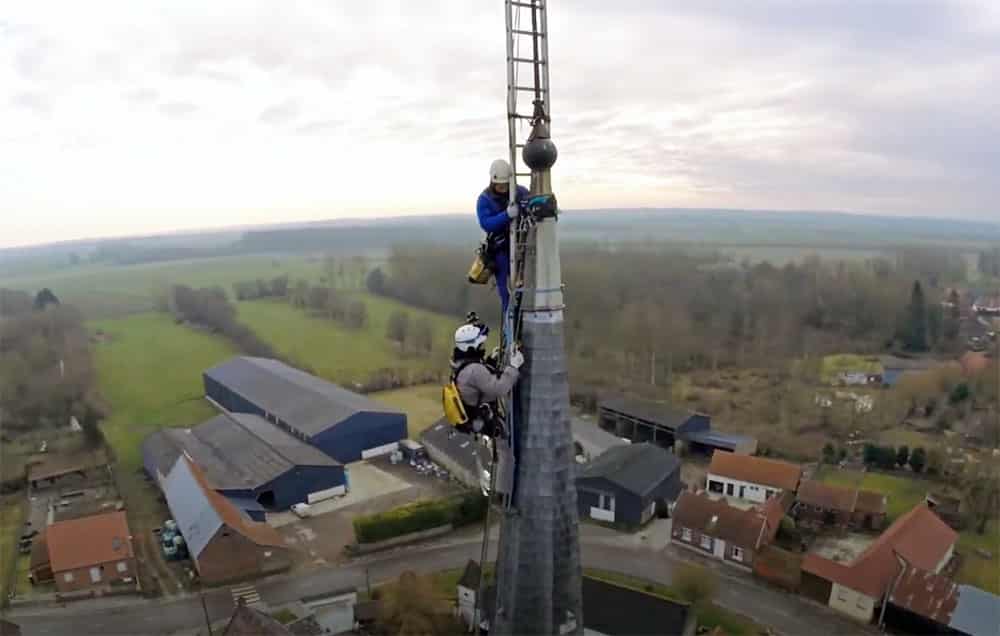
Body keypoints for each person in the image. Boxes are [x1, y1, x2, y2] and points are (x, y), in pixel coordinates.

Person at [450, 320, 524, 438]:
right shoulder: (474, 370)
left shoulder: (459, 363)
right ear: (471, 346)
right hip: (484, 423)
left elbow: (476, 380)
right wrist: (513, 367)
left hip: (472, 415)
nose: (483, 347)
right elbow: (499, 389)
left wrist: (490, 361)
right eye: (480, 345)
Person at [477, 159, 529, 316]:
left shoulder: (519, 192)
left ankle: (523, 320)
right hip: (500, 250)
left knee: (525, 286)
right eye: (499, 185)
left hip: (521, 245)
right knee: (506, 292)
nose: (503, 188)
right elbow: (487, 223)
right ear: (492, 182)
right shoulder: (485, 200)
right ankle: (509, 323)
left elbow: (531, 201)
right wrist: (506, 215)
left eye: (505, 185)